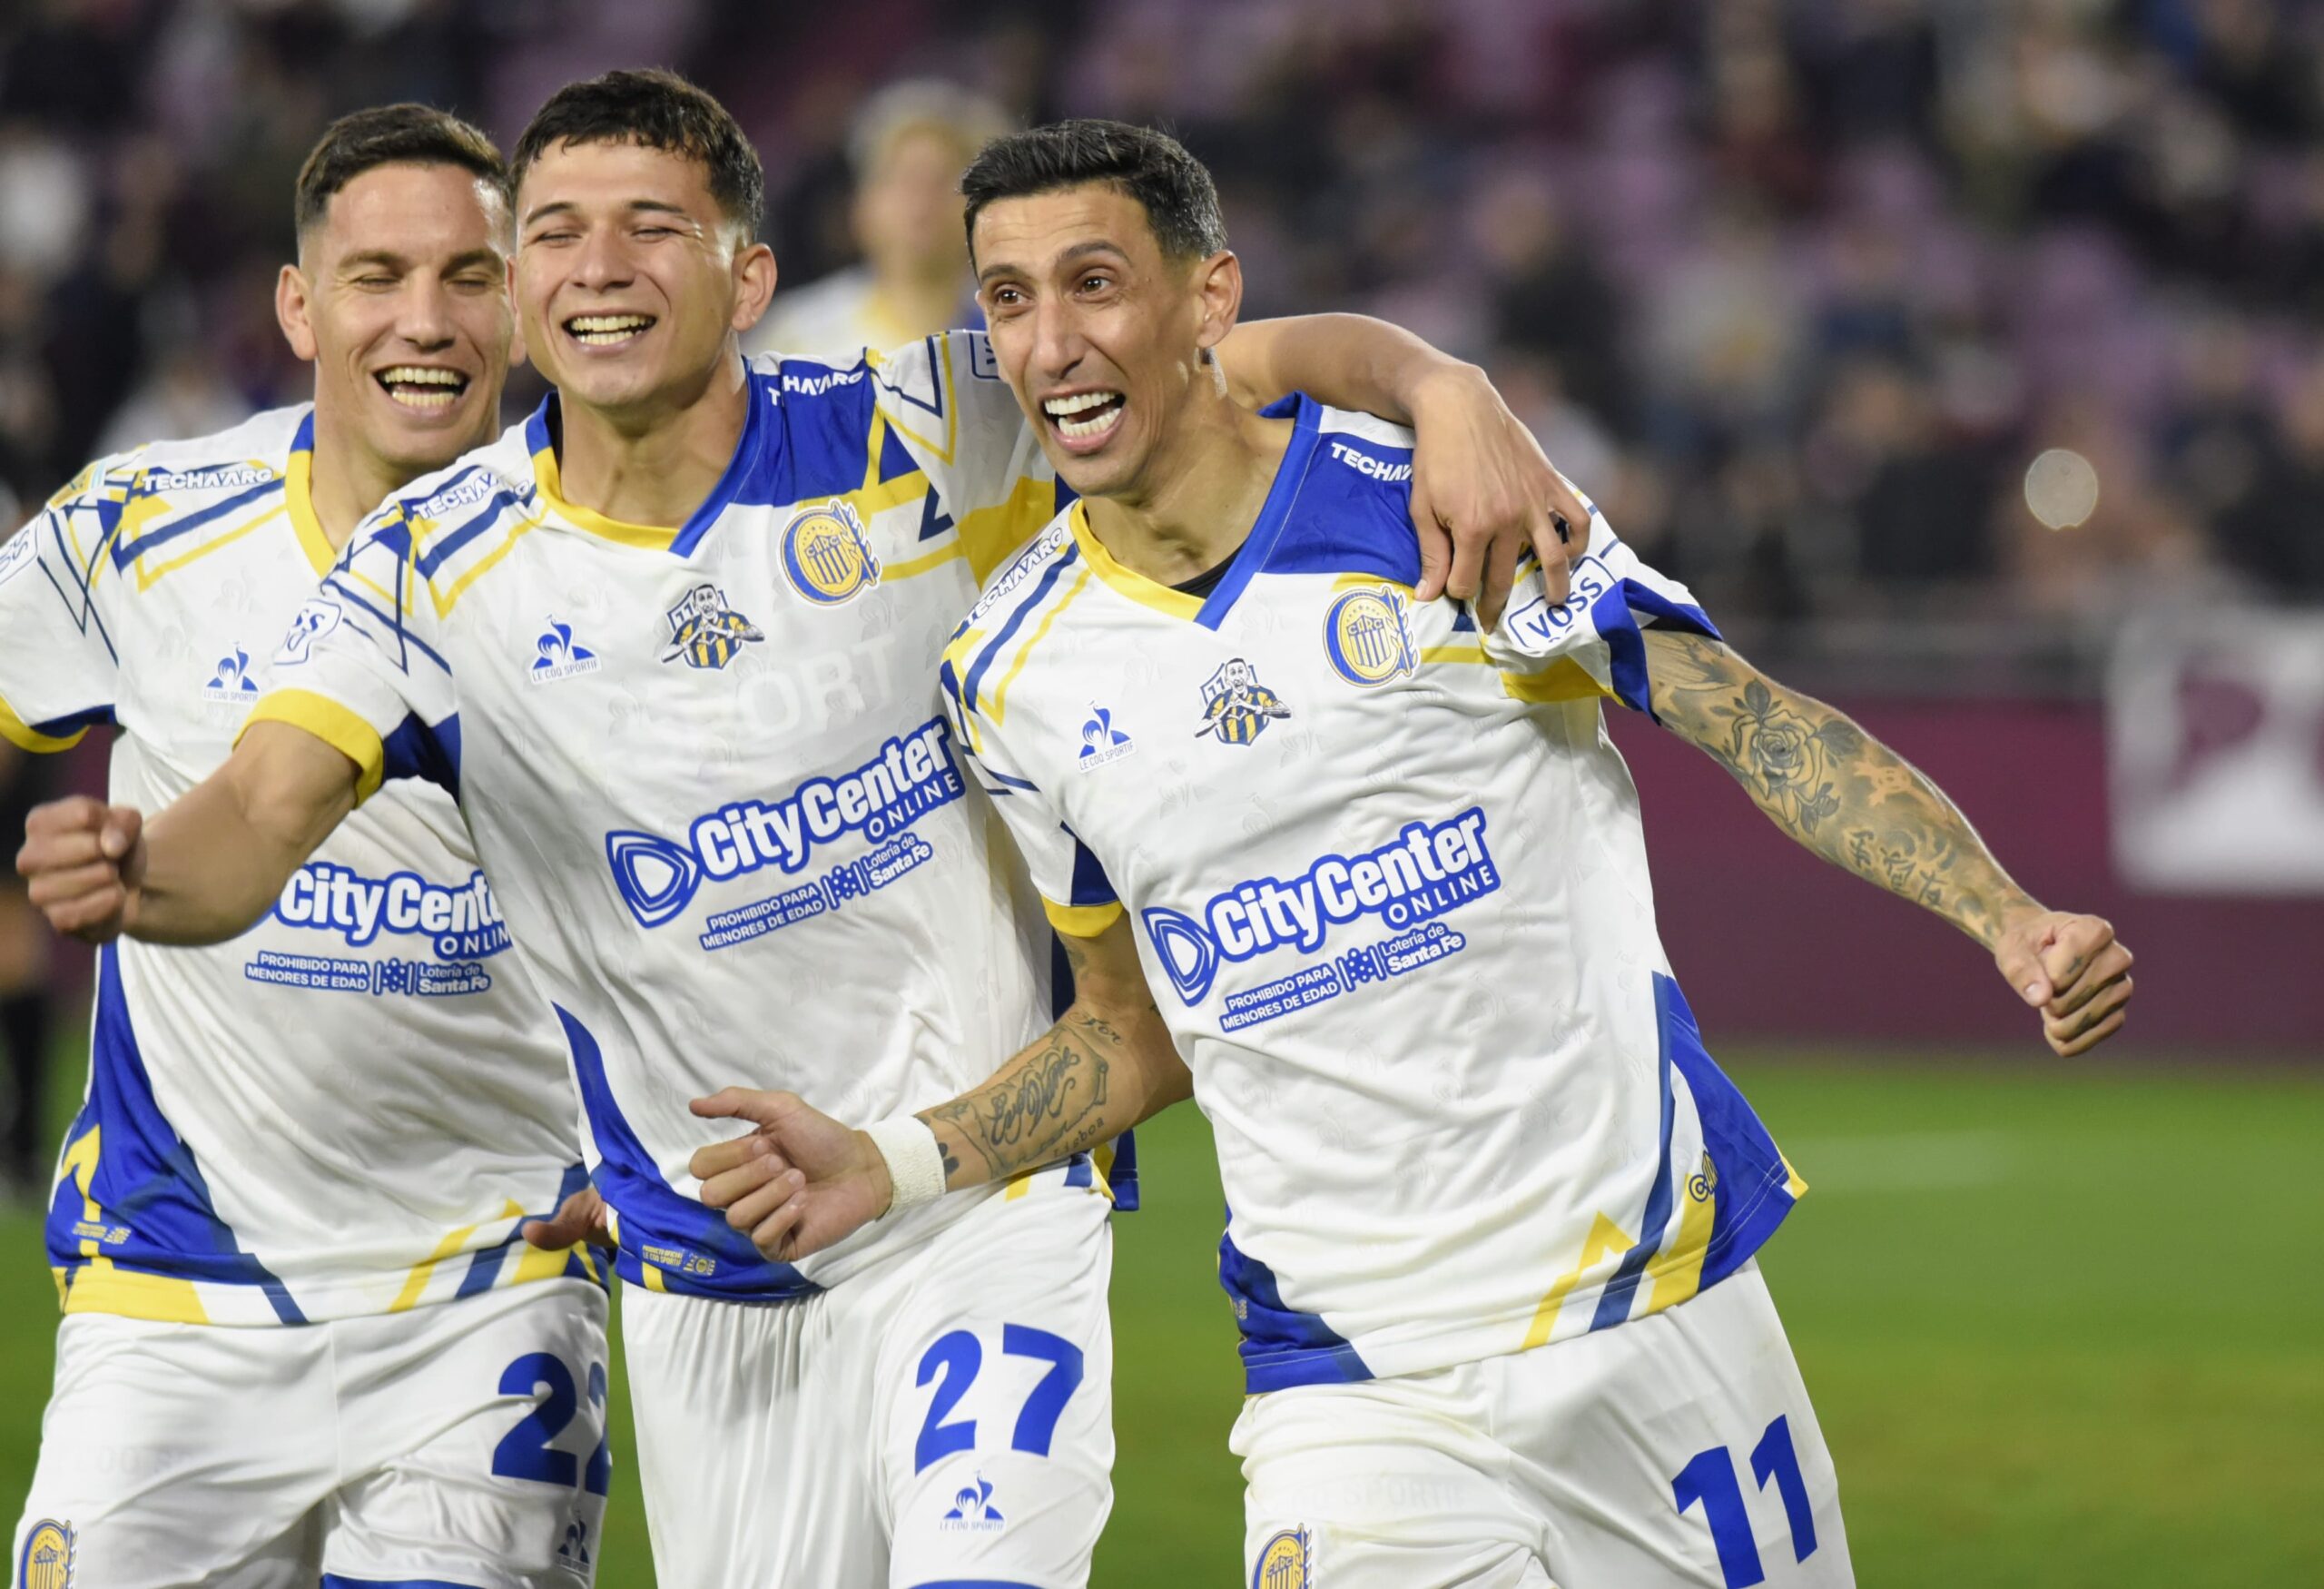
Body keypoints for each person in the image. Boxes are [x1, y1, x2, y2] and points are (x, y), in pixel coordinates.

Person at [15, 70, 1583, 1587]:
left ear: (749, 278)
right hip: (715, 1273)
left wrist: (1438, 386)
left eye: (651, 227)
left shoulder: (931, 427)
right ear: (522, 289)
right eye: (555, 232)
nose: (598, 266)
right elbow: (259, 810)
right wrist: (146, 876)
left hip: (979, 1206)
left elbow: (1209, 352)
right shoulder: (430, 564)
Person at [689, 121, 2140, 1589]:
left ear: (1209, 299)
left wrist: (2003, 915)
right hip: (1348, 1383)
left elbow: (1750, 721)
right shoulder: (1012, 675)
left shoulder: (1441, 509)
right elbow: (1129, 1036)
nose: (1051, 342)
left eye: (1095, 284)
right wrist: (892, 1159)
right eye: (1008, 299)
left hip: (1649, 1308)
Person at [0, 106, 610, 1588]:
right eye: (376, 276)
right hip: (171, 1293)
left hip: (495, 1286)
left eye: (469, 277)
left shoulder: (622, 566)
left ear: (521, 309)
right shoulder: (142, 529)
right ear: (298, 306)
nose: (425, 320)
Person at [745, 79, 1011, 361]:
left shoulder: (1017, 331)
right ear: (862, 206)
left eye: (944, 182)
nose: (922, 201)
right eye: (905, 179)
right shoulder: (796, 340)